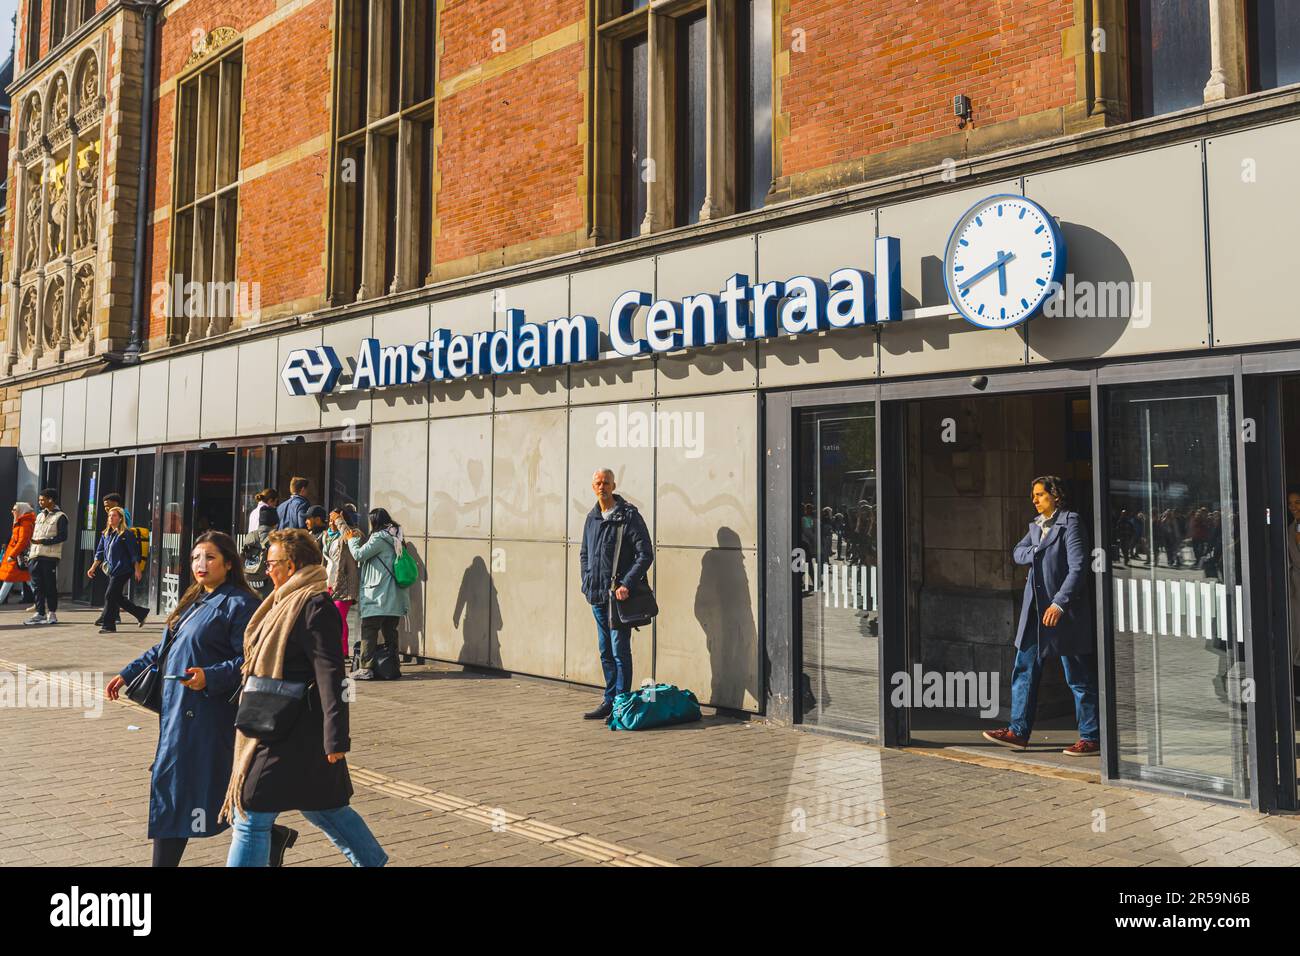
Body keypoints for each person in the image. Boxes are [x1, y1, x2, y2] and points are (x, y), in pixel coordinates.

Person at [222, 529, 386, 867]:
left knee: (251, 812)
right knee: (323, 807)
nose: (266, 570)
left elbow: (332, 675)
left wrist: (335, 739)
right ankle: (372, 862)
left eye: (272, 563)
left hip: (298, 731)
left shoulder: (315, 604)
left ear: (292, 564)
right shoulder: (282, 601)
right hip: (279, 724)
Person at [106, 532, 262, 867]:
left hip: (206, 716)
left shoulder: (239, 603)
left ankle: (262, 834)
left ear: (229, 563)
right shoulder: (194, 599)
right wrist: (129, 672)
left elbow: (250, 661)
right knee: (188, 793)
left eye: (209, 558)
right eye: (195, 558)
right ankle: (265, 834)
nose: (200, 565)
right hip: (177, 712)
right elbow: (164, 649)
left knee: (184, 792)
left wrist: (211, 675)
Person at [984, 476, 1099, 756]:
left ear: (1055, 496)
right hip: (1035, 612)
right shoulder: (1037, 526)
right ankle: (1018, 732)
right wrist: (1037, 549)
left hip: (1061, 613)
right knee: (1024, 669)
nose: (1034, 500)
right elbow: (1017, 552)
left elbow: (1078, 568)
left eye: (1040, 495)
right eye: (1033, 495)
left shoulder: (1070, 523)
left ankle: (1091, 737)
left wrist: (1059, 603)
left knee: (1077, 677)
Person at [578, 468, 653, 721]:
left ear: (614, 485)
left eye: (606, 483)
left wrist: (627, 584)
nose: (602, 487)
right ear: (593, 487)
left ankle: (621, 704)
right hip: (597, 596)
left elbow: (645, 554)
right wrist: (586, 580)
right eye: (598, 483)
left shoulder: (628, 516)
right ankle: (609, 701)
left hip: (618, 598)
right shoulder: (592, 517)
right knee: (605, 651)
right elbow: (584, 554)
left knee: (620, 650)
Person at [345, 507, 409, 681]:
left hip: (378, 594)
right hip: (394, 595)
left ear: (375, 521)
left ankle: (366, 668)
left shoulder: (379, 538)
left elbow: (359, 555)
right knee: (390, 632)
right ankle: (393, 665)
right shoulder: (397, 537)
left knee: (369, 629)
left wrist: (352, 541)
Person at [88, 506, 149, 633]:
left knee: (110, 595)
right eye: (110, 515)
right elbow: (99, 553)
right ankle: (140, 613)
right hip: (112, 570)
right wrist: (93, 567)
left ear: (120, 518)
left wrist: (137, 570)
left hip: (124, 569)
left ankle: (108, 625)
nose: (111, 518)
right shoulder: (105, 534)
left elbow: (134, 554)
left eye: (114, 515)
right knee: (116, 596)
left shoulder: (126, 534)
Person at [322, 506, 360, 659]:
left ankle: (343, 651)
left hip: (344, 581)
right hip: (329, 581)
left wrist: (340, 521)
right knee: (330, 619)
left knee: (339, 618)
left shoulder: (353, 533)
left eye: (334, 519)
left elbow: (348, 536)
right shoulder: (326, 536)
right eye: (330, 519)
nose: (331, 522)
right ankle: (332, 649)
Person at [25, 489, 68, 625]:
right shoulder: (39, 516)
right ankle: (40, 613)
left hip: (49, 557)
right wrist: (29, 554)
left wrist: (43, 541)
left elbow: (63, 537)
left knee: (50, 586)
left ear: (51, 500)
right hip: (35, 556)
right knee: (37, 586)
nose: (40, 502)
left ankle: (52, 613)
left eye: (42, 499)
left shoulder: (61, 516)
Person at [0, 502, 35, 607]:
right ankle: (40, 602)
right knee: (27, 579)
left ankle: (40, 602)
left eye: (14, 509)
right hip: (16, 556)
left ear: (21, 510)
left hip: (17, 557)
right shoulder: (21, 521)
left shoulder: (24, 523)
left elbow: (22, 541)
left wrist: (12, 555)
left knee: (10, 579)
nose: (12, 511)